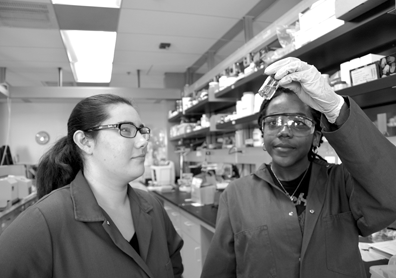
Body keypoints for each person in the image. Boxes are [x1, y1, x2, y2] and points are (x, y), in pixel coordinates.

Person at [201, 57, 396, 278]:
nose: (284, 131)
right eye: (273, 122)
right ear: (262, 134)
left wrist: (336, 108)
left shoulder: (342, 183)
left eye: (298, 122)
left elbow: (391, 191)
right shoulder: (236, 194)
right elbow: (218, 272)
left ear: (316, 137)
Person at [0, 94, 184, 278]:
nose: (143, 141)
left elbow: (175, 270)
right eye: (126, 130)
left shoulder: (153, 207)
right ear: (85, 142)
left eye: (142, 131)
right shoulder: (43, 221)